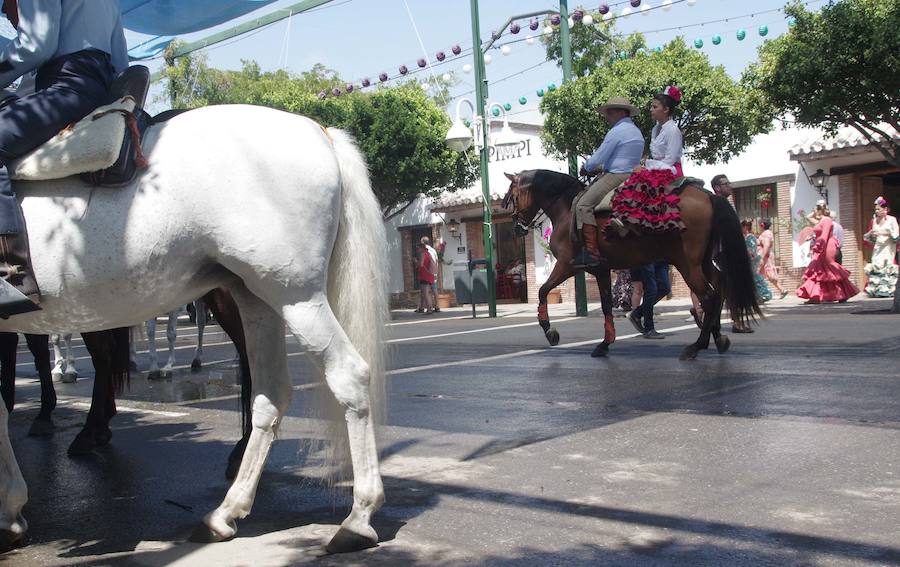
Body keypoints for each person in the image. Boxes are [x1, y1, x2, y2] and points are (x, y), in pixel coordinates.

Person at [0, 0, 128, 314]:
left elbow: (36, 45)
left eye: (7, 5)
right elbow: (122, 63)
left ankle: (8, 273)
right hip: (98, 90)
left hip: (65, 87)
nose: (7, 13)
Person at [571, 97, 644, 268]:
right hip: (632, 174)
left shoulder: (616, 131)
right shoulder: (636, 131)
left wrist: (587, 167)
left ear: (620, 112)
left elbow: (599, 157)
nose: (607, 116)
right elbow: (620, 157)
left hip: (617, 176)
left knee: (583, 204)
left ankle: (591, 253)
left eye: (610, 112)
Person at [607, 86, 685, 237]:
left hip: (670, 170)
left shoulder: (673, 130)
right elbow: (655, 154)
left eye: (655, 107)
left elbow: (670, 159)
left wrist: (646, 166)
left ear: (666, 110)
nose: (651, 109)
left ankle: (636, 223)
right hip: (656, 167)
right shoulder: (656, 129)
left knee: (641, 183)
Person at [796, 214, 859, 303]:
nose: (814, 212)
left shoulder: (827, 221)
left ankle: (841, 294)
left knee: (829, 269)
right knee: (818, 269)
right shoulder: (820, 221)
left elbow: (824, 236)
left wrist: (818, 246)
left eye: (816, 209)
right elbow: (808, 217)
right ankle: (816, 296)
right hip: (822, 245)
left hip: (826, 246)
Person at [863, 196, 899, 297]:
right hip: (878, 247)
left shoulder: (892, 220)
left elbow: (896, 234)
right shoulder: (874, 221)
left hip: (888, 247)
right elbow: (869, 236)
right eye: (876, 209)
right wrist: (872, 234)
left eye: (879, 209)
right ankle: (875, 290)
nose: (877, 211)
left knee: (886, 266)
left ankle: (889, 290)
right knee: (876, 264)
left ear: (885, 209)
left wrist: (887, 233)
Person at [626, 261, 670, 339]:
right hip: (647, 257)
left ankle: (637, 313)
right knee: (651, 289)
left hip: (662, 257)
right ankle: (649, 329)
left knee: (665, 288)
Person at [742, 219, 772, 304]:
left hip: (751, 260)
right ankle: (755, 296)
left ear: (746, 227)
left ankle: (762, 295)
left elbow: (751, 250)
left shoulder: (750, 237)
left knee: (753, 277)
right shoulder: (746, 237)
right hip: (749, 260)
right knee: (751, 278)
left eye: (742, 227)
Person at [758, 218, 788, 299]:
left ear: (762, 225)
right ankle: (782, 290)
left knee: (760, 274)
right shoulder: (767, 233)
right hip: (766, 255)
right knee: (767, 275)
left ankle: (762, 293)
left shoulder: (766, 233)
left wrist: (761, 257)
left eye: (759, 224)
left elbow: (766, 245)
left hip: (764, 256)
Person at [421, 236, 441, 312]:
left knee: (426, 290)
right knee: (434, 289)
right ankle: (437, 306)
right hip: (434, 271)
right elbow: (436, 260)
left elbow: (424, 262)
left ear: (422, 242)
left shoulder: (426, 250)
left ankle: (427, 308)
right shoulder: (433, 250)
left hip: (428, 272)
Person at [415, 242, 436, 314]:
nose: (417, 250)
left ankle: (429, 309)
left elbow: (421, 264)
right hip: (429, 275)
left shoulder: (422, 254)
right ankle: (424, 308)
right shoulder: (428, 253)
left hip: (425, 275)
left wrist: (415, 261)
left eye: (418, 248)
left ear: (421, 248)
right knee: (425, 293)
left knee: (425, 293)